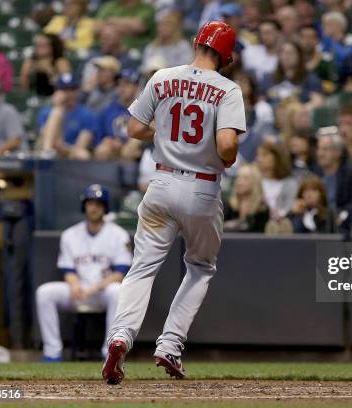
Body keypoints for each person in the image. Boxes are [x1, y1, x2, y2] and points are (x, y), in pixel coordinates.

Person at [103, 21, 246, 385]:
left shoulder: (163, 76)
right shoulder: (227, 89)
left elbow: (133, 128)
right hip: (201, 188)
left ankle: (120, 336)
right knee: (199, 267)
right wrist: (222, 157)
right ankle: (170, 345)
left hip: (161, 182)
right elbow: (228, 146)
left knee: (141, 268)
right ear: (226, 56)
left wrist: (164, 134)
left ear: (197, 43)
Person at [36, 185, 131, 361]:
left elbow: (120, 273)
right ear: (84, 205)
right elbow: (69, 269)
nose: (93, 208)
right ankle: (52, 353)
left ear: (105, 207)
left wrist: (93, 288)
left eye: (98, 204)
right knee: (45, 292)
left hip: (102, 292)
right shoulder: (70, 235)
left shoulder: (118, 235)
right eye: (90, 203)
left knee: (118, 290)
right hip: (78, 291)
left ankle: (109, 353)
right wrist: (74, 285)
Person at [36, 73, 99, 159]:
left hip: (69, 152)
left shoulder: (87, 114)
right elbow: (43, 136)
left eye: (72, 89)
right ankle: (47, 151)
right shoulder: (46, 111)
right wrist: (58, 107)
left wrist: (62, 147)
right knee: (56, 112)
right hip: (47, 150)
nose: (69, 94)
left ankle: (48, 152)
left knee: (83, 155)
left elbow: (80, 146)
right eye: (64, 90)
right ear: (57, 92)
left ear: (78, 90)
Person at [312, 127, 352, 214]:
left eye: (325, 149)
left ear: (338, 152)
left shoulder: (351, 175)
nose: (319, 153)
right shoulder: (313, 174)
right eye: (318, 149)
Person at [260, 41, 323, 110]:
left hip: (300, 116)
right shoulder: (268, 78)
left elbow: (317, 102)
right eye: (283, 53)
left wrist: (298, 111)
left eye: (290, 53)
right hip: (273, 116)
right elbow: (260, 103)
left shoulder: (310, 78)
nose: (286, 56)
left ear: (299, 56)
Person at [95, 68, 142, 160]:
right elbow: (99, 138)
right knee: (102, 150)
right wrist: (109, 141)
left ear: (136, 87)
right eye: (119, 84)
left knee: (129, 151)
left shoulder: (144, 109)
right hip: (112, 151)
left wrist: (125, 143)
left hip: (135, 152)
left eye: (127, 84)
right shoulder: (108, 110)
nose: (122, 87)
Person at [256, 141, 300, 218]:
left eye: (265, 155)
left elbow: (291, 208)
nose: (259, 159)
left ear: (276, 158)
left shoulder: (290, 184)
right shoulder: (254, 182)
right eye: (258, 155)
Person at [223, 164, 270, 232]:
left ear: (255, 181)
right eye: (238, 177)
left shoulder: (263, 211)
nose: (239, 182)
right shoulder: (228, 208)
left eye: (245, 178)